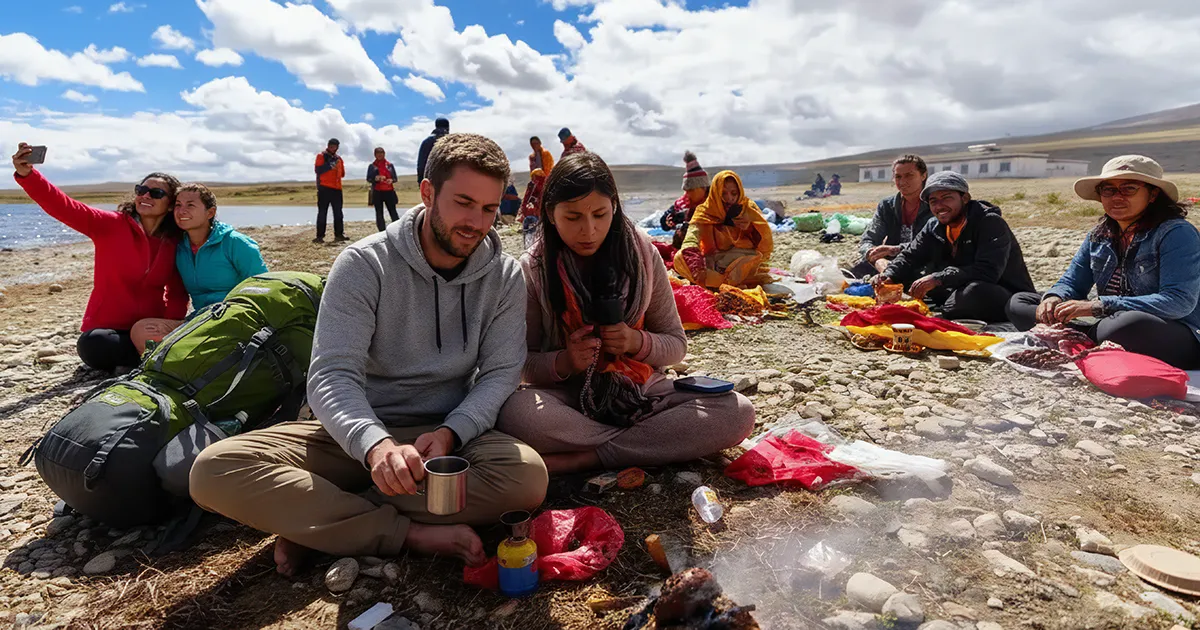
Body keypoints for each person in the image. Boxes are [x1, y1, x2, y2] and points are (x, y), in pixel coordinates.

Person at [190, 133, 548, 576]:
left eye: (489, 209)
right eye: (463, 202)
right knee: (214, 468)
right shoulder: (364, 264)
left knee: (527, 477)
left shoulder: (504, 276)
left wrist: (452, 433)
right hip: (352, 435)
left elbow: (500, 373)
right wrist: (375, 446)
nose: (476, 222)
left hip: (442, 437)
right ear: (427, 192)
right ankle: (404, 533)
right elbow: (331, 376)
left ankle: (321, 521)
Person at [496, 152, 755, 474]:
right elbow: (524, 363)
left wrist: (635, 341)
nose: (588, 230)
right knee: (516, 412)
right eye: (573, 217)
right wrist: (566, 361)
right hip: (569, 395)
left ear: (614, 207)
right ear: (550, 214)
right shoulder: (534, 269)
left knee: (736, 410)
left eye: (600, 214)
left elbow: (676, 345)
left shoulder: (644, 257)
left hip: (642, 391)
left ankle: (591, 456)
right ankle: (644, 445)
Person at [1007, 155, 1200, 368]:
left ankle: (1080, 336)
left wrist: (1099, 306)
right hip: (1109, 320)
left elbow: (1178, 302)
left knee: (1126, 324)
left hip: (1175, 330)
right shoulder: (1099, 235)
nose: (1117, 197)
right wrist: (1054, 298)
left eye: (1128, 189)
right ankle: (1088, 336)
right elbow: (1072, 282)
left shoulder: (1176, 233)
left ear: (1153, 194)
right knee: (1021, 303)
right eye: (1108, 190)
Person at [10, 143, 187, 372]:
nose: (145, 196)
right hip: (109, 329)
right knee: (94, 346)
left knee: (166, 338)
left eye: (156, 193)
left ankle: (152, 354)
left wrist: (170, 324)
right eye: (140, 190)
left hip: (149, 327)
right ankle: (152, 357)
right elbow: (63, 206)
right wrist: (28, 175)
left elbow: (177, 292)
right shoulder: (110, 224)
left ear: (170, 203)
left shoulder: (173, 241)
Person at [874, 171, 1034, 322]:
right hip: (957, 286)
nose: (939, 206)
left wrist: (939, 278)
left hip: (1001, 291)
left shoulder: (989, 222)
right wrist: (889, 275)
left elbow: (988, 271)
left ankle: (950, 308)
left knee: (971, 294)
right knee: (910, 280)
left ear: (964, 198)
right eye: (933, 201)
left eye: (946, 198)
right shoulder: (934, 226)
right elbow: (910, 256)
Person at [130, 184, 269, 354]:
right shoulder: (180, 248)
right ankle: (185, 357)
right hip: (201, 319)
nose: (181, 211)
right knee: (142, 330)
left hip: (236, 319)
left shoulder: (236, 243)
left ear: (210, 213)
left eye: (190, 205)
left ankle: (185, 357)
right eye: (178, 205)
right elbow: (176, 292)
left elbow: (264, 289)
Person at [672, 170, 774, 289]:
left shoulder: (747, 208)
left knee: (753, 257)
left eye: (733, 193)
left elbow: (763, 242)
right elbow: (692, 237)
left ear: (739, 191)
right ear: (716, 193)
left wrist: (749, 229)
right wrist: (696, 266)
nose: (729, 198)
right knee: (679, 258)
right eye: (724, 193)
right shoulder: (705, 211)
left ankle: (716, 282)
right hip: (713, 259)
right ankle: (719, 281)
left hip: (739, 257)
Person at [851, 154, 934, 278]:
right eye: (898, 176)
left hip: (923, 263)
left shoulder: (935, 205)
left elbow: (933, 245)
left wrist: (894, 249)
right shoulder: (887, 206)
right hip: (889, 262)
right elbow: (868, 239)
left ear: (923, 175)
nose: (902, 182)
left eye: (909, 175)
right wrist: (877, 260)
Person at [658, 151, 710, 238]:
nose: (688, 194)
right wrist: (670, 221)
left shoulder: (715, 203)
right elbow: (664, 223)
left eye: (691, 190)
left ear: (704, 188)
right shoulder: (681, 204)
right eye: (686, 190)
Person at [314, 138, 347, 244]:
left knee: (338, 212)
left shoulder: (339, 159)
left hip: (337, 189)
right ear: (328, 146)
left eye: (335, 146)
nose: (333, 148)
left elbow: (342, 174)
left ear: (337, 147)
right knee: (322, 212)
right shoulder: (321, 156)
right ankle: (319, 236)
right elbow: (318, 170)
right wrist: (330, 165)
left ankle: (339, 234)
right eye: (331, 146)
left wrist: (336, 166)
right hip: (324, 187)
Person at [367, 147, 400, 232]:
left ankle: (397, 230)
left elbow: (395, 178)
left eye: (381, 152)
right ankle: (382, 231)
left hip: (389, 191)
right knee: (379, 213)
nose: (380, 154)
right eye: (378, 153)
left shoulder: (390, 165)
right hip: (378, 192)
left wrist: (391, 180)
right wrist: (376, 178)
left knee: (393, 212)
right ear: (375, 155)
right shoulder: (372, 166)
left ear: (384, 154)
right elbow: (369, 178)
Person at [416, 118, 450, 182]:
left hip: (430, 178)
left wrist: (420, 180)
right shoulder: (452, 141)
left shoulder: (426, 142)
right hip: (448, 179)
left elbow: (421, 164)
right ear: (448, 127)